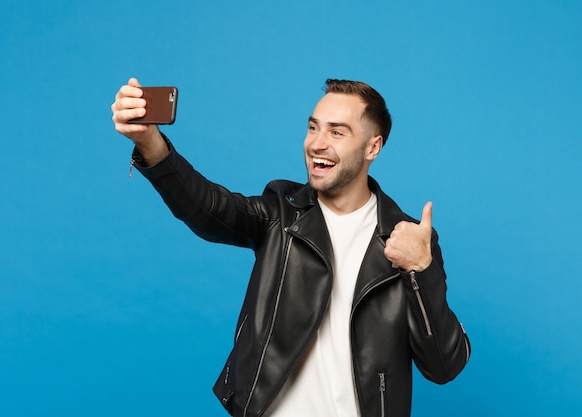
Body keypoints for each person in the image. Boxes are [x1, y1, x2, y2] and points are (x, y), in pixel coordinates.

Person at [111, 78, 470, 417]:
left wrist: (419, 270)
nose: (317, 143)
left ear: (372, 147)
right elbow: (207, 207)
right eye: (313, 127)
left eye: (336, 132)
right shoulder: (281, 213)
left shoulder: (408, 240)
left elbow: (444, 366)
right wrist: (151, 145)